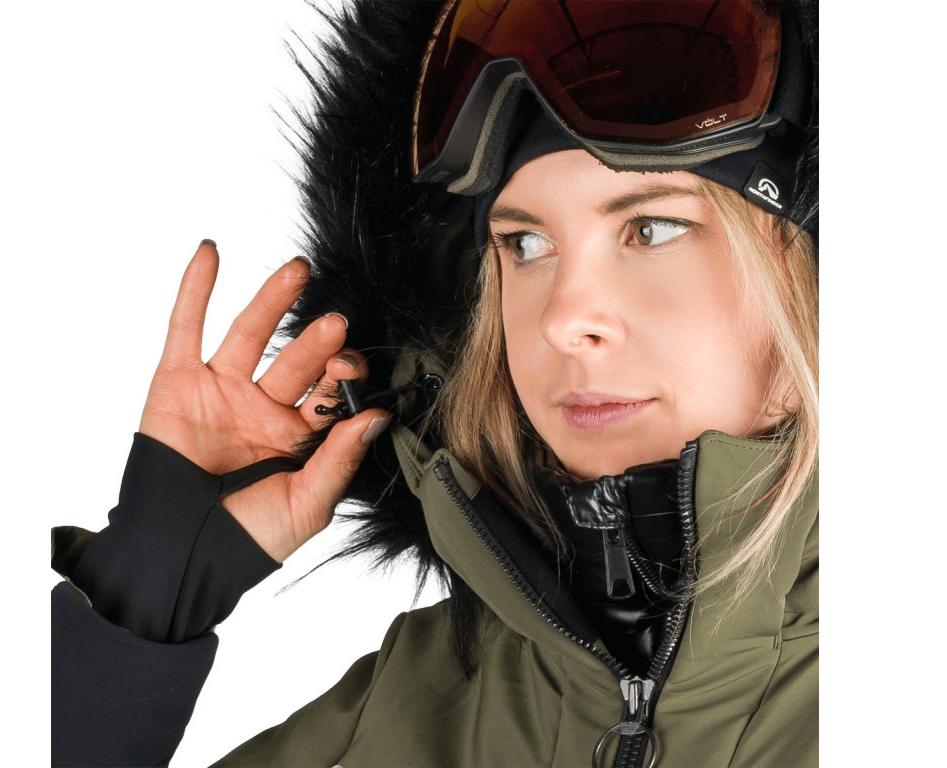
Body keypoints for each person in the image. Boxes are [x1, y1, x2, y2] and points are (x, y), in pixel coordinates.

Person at [51, 1, 818, 766]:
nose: (562, 319)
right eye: (525, 243)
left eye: (651, 229)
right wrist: (135, 607)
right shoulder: (422, 694)